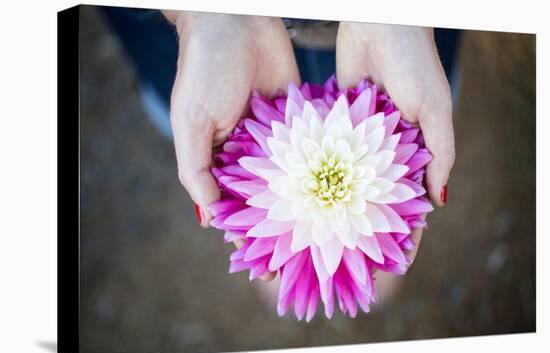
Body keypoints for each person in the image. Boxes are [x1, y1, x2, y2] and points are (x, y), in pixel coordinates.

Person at [160, 11, 455, 279]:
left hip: (375, 34)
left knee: (413, 97)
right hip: (238, 46)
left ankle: (328, 261)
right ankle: (295, 257)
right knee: (211, 127)